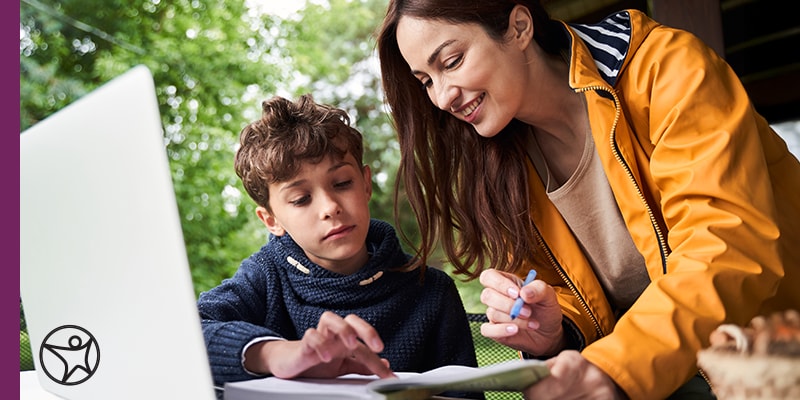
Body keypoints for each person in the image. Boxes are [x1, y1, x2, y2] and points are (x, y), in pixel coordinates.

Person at [376, 1, 800, 399]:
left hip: (772, 361)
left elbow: (726, 248)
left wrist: (614, 367)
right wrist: (552, 330)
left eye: (451, 62)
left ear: (519, 27)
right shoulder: (500, 164)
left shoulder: (666, 69)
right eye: (426, 81)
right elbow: (568, 296)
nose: (442, 96)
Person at [196, 94, 479, 393]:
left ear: (366, 184)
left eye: (342, 183)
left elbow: (466, 395)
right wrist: (275, 354)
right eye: (301, 199)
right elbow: (186, 334)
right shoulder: (264, 277)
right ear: (271, 220)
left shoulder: (432, 291)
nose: (330, 206)